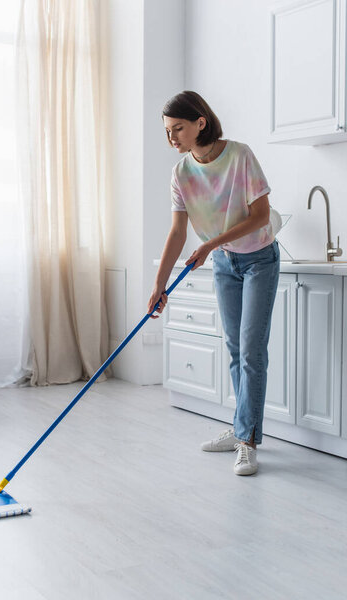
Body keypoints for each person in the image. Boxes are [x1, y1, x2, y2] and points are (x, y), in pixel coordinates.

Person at [148, 90, 280, 476]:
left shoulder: (239, 155)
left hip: (258, 259)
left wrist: (210, 244)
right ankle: (243, 429)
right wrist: (159, 284)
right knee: (236, 348)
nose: (172, 138)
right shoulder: (181, 173)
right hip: (224, 263)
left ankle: (248, 441)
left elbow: (261, 216)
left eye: (178, 129)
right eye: (168, 132)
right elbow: (176, 232)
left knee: (252, 350)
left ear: (200, 123)